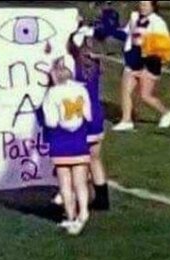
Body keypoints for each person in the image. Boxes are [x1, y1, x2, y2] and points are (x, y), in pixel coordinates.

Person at [43, 56, 93, 235]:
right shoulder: (81, 89)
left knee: (65, 181)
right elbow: (88, 115)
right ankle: (84, 212)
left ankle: (71, 217)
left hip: (61, 139)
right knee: (80, 181)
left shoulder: (53, 93)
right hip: (79, 137)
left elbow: (51, 121)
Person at [110, 0, 170, 131]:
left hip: (149, 63)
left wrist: (149, 62)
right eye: (141, 4)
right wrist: (111, 31)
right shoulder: (134, 17)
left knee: (145, 96)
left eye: (145, 5)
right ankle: (126, 120)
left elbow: (163, 46)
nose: (142, 7)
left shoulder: (158, 23)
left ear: (153, 7)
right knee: (125, 90)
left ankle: (166, 112)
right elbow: (127, 34)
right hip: (133, 59)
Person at [70, 26, 110, 210]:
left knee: (80, 161)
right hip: (97, 114)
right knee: (95, 158)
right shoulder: (95, 63)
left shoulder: (72, 67)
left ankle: (81, 200)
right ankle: (103, 199)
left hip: (81, 117)